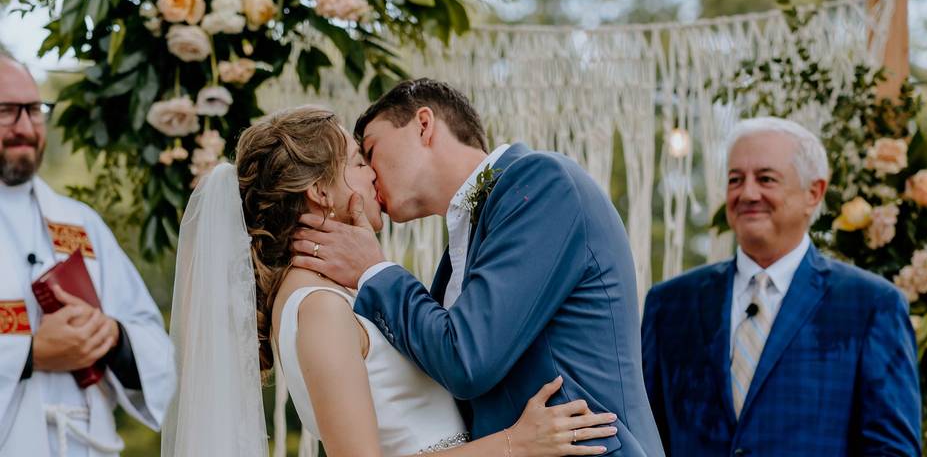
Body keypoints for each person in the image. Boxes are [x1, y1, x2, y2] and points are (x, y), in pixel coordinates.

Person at [163, 105, 617, 457]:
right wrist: (515, 443)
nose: (372, 173)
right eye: (359, 161)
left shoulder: (337, 294)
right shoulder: (318, 307)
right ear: (320, 193)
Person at [291, 79, 665, 457]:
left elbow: (468, 360)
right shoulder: (462, 247)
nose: (369, 174)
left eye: (370, 151)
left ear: (424, 124)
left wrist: (374, 270)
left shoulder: (542, 182)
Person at [641, 116, 922, 456]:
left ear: (813, 193)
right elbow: (645, 433)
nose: (747, 193)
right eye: (735, 179)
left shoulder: (870, 305)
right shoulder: (670, 304)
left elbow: (892, 450)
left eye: (766, 179)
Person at [0, 54, 175, 457]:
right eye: (7, 111)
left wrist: (112, 337)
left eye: (34, 110)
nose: (25, 127)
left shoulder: (80, 225)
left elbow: (152, 340)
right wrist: (29, 355)